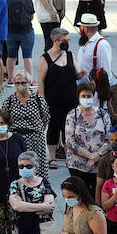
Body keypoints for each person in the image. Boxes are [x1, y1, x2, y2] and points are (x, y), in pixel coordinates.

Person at [38, 28, 79, 168]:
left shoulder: (69, 55)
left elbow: (77, 74)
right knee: (53, 128)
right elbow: (41, 81)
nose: (67, 43)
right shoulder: (45, 58)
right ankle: (52, 157)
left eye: (68, 40)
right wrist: (43, 101)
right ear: (56, 41)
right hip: (53, 100)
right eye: (65, 40)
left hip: (71, 99)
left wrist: (83, 73)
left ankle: (69, 155)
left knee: (69, 129)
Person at [65, 81, 110, 195]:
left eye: (88, 96)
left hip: (100, 165)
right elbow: (70, 141)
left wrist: (97, 155)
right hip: (77, 164)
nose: (86, 98)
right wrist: (89, 155)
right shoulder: (72, 115)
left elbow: (109, 139)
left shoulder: (103, 114)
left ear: (93, 96)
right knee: (80, 196)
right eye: (83, 96)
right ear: (78, 97)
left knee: (97, 197)